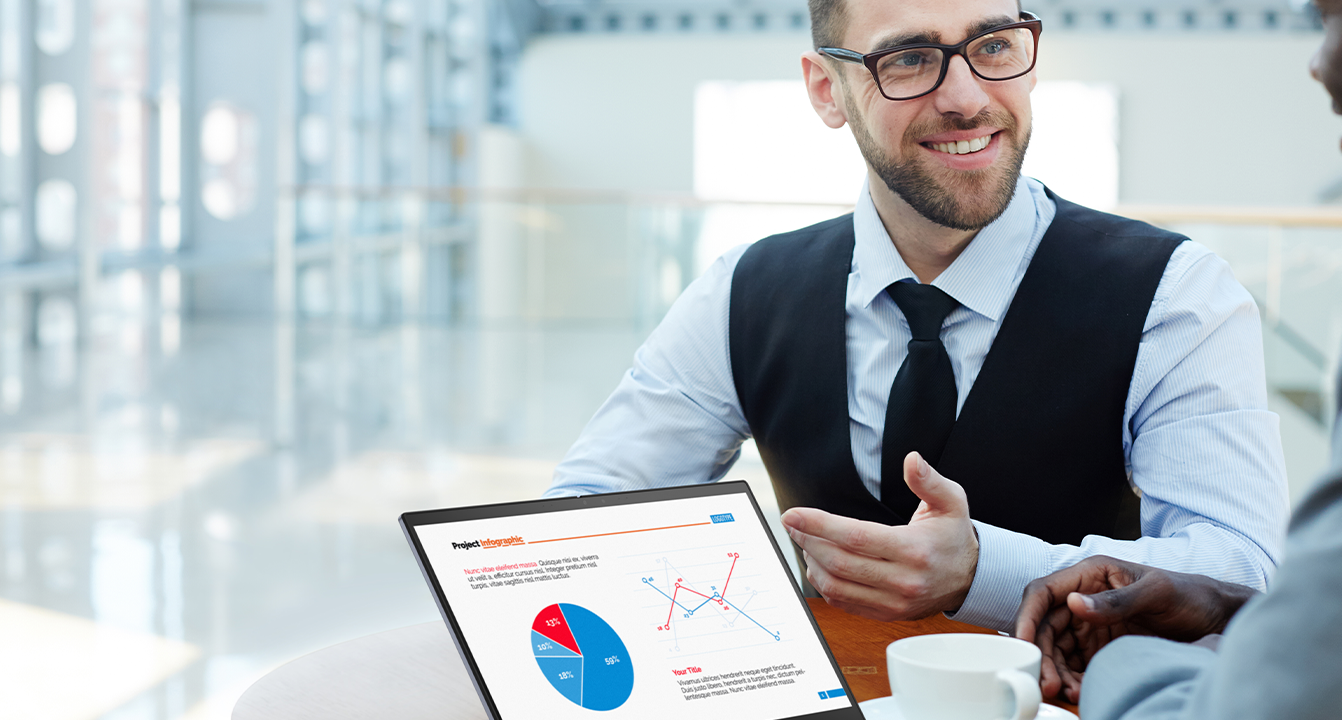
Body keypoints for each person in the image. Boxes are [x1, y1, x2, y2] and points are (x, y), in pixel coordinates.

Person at [545, 0, 1289, 631]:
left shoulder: (1179, 295)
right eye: (907, 59)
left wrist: (986, 571)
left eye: (994, 46)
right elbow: (578, 520)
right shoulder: (742, 290)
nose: (967, 97)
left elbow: (1239, 565)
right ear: (826, 91)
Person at [1013, 0, 1342, 716]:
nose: (1318, 63)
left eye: (1330, 13)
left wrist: (1125, 656)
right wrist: (1229, 610)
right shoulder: (751, 287)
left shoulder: (1186, 290)